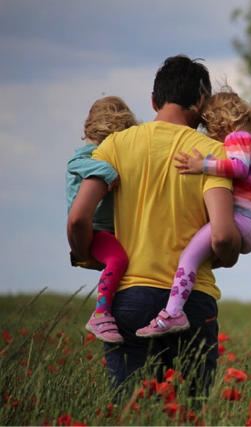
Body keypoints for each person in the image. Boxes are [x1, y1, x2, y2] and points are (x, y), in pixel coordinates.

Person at [67, 55, 241, 396]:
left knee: (131, 409)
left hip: (129, 299)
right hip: (192, 302)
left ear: (153, 100)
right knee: (190, 413)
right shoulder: (212, 154)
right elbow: (222, 235)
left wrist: (84, 253)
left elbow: (77, 217)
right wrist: (230, 254)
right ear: (202, 103)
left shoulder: (115, 145)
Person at [136, 87, 251, 338]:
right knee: (201, 259)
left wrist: (202, 165)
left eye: (208, 126)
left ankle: (172, 313)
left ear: (221, 121)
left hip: (238, 221)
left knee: (188, 258)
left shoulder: (238, 139)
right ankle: (180, 299)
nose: (208, 133)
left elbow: (238, 168)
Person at [66, 96, 138, 344]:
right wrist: (108, 172)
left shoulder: (100, 153)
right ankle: (101, 313)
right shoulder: (87, 156)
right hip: (95, 230)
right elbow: (77, 164)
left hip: (107, 230)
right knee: (118, 259)